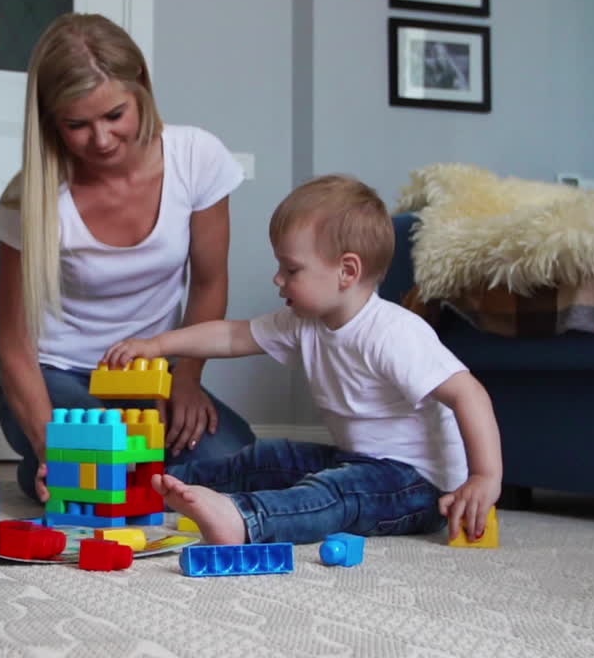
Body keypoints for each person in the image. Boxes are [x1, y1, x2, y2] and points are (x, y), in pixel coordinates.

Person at [103, 175, 502, 545]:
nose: (278, 279)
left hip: (418, 485)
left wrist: (484, 477)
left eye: (291, 269)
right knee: (269, 456)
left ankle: (245, 520)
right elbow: (231, 335)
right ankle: (145, 487)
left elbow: (468, 394)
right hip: (356, 461)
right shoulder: (303, 322)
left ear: (347, 271)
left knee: (334, 494)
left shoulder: (394, 333)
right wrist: (157, 345)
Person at [0, 13, 256, 504]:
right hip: (56, 375)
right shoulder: (29, 199)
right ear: (51, 119)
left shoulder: (197, 158)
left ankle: (67, 472)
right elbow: (13, 345)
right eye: (77, 124)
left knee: (235, 462)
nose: (101, 139)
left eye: (114, 116)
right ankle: (44, 467)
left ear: (142, 90)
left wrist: (186, 381)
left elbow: (208, 283)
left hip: (148, 372)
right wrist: (53, 448)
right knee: (112, 472)